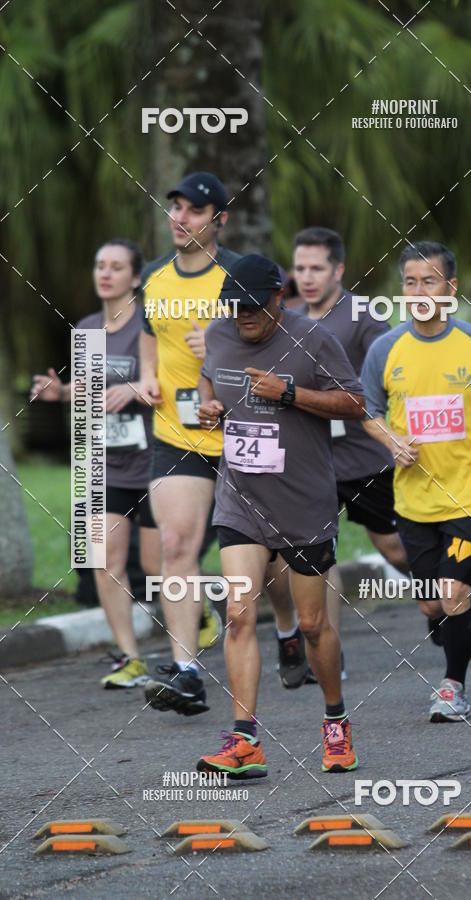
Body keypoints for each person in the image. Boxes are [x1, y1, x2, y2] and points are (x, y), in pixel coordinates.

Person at [196, 253, 365, 778]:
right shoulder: (220, 334)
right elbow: (210, 379)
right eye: (233, 307)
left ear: (277, 297)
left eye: (251, 308)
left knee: (313, 625)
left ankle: (335, 722)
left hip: (304, 501)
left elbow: (356, 403)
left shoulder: (312, 339)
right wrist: (208, 406)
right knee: (240, 614)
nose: (242, 317)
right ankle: (245, 741)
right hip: (241, 498)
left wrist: (289, 393)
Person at [362, 241, 471, 723]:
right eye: (410, 282)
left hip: (470, 491)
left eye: (430, 281)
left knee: (450, 594)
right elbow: (369, 413)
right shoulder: (385, 349)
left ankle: (452, 688)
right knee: (430, 607)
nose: (419, 291)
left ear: (451, 289)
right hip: (414, 498)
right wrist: (391, 439)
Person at [31, 239, 160, 688]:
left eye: (116, 267)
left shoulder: (148, 323)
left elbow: (166, 383)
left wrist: (136, 390)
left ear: (136, 278)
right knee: (105, 560)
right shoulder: (86, 327)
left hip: (157, 461)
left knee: (163, 565)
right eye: (99, 265)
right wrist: (60, 393)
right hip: (108, 465)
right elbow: (89, 389)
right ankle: (130, 657)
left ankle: (198, 609)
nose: (105, 273)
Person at [139, 172, 240, 716]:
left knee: (266, 563)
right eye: (174, 207)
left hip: (245, 433)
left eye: (193, 211)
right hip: (176, 432)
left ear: (219, 219)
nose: (180, 218)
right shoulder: (155, 280)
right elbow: (148, 333)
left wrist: (221, 345)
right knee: (176, 546)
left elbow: (277, 348)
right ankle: (187, 672)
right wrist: (150, 374)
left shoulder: (239, 279)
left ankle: (293, 631)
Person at [290, 226, 409, 680]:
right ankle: (328, 653)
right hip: (313, 460)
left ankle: (451, 601)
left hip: (365, 457)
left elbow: (390, 371)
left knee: (394, 547)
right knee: (322, 556)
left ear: (338, 269)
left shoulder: (363, 315)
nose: (307, 276)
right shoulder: (289, 317)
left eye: (317, 268)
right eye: (300, 268)